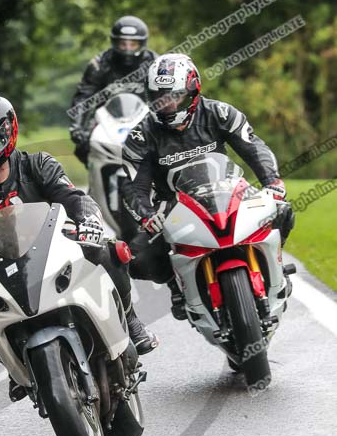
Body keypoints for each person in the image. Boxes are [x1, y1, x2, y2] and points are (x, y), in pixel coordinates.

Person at [0, 93, 158, 401]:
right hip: (0, 271)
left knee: (110, 250)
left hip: (55, 252)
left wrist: (89, 220)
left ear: (4, 135)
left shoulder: (38, 164)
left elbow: (75, 198)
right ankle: (19, 364)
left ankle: (130, 320)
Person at [121, 53, 295, 320]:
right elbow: (134, 187)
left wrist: (272, 182)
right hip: (174, 206)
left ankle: (275, 265)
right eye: (159, 98)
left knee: (283, 211)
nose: (167, 105)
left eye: (173, 96)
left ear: (193, 89)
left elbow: (254, 149)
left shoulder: (220, 113)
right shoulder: (141, 135)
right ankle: (176, 286)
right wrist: (146, 215)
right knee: (140, 259)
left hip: (229, 191)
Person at [69, 15, 158, 165]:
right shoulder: (99, 64)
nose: (128, 49)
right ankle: (96, 180)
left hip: (145, 119)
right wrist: (77, 127)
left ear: (142, 44)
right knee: (82, 146)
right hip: (106, 120)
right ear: (114, 43)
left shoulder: (155, 63)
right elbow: (83, 96)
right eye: (123, 44)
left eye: (133, 44)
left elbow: (166, 94)